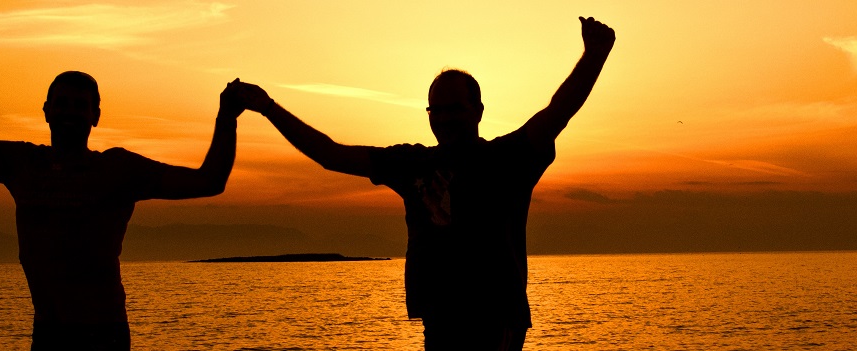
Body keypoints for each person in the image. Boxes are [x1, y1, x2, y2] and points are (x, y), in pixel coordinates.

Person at [231, 17, 615, 350]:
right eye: (437, 110)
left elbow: (557, 112)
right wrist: (268, 108)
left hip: (495, 319)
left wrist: (594, 55)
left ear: (478, 111)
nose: (445, 119)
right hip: (438, 319)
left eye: (455, 109)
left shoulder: (505, 160)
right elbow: (331, 155)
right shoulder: (411, 163)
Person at [0, 38, 243, 350]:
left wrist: (226, 115)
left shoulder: (118, 170)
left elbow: (209, 181)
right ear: (46, 111)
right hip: (49, 334)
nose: (70, 111)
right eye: (62, 103)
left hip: (103, 334)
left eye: (80, 105)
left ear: (95, 116)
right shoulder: (21, 162)